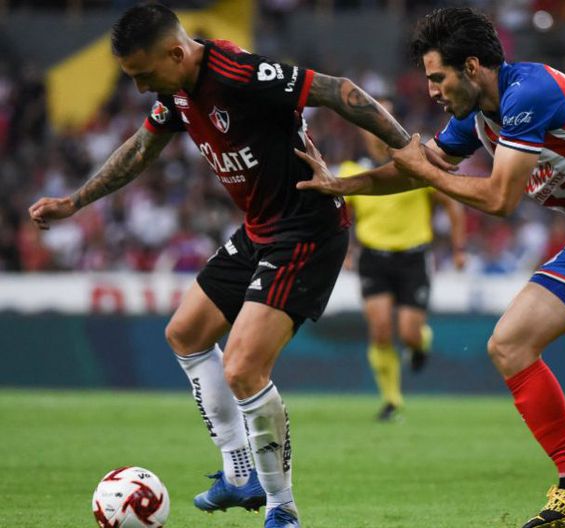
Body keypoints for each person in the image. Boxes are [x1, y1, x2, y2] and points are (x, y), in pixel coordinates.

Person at [26, 4, 451, 528]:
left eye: (143, 74)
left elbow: (339, 90)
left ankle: (282, 508)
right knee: (185, 334)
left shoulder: (238, 74)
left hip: (307, 229)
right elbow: (140, 148)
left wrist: (406, 146)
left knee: (244, 368)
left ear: (175, 53)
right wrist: (75, 201)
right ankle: (239, 471)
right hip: (259, 231)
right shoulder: (175, 90)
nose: (139, 88)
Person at [297, 7, 565, 527]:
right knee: (509, 344)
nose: (432, 90)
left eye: (438, 77)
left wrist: (425, 173)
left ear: (472, 67)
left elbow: (500, 199)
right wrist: (341, 185)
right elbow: (417, 169)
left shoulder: (529, 94)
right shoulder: (476, 115)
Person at [338, 100, 466, 421]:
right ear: (363, 131)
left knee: (409, 333)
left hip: (413, 256)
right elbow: (342, 218)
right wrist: (346, 251)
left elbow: (451, 204)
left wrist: (458, 249)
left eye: (384, 118)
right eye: (370, 121)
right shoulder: (352, 171)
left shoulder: (418, 164)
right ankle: (392, 400)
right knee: (380, 330)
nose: (376, 128)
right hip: (373, 257)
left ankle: (420, 343)